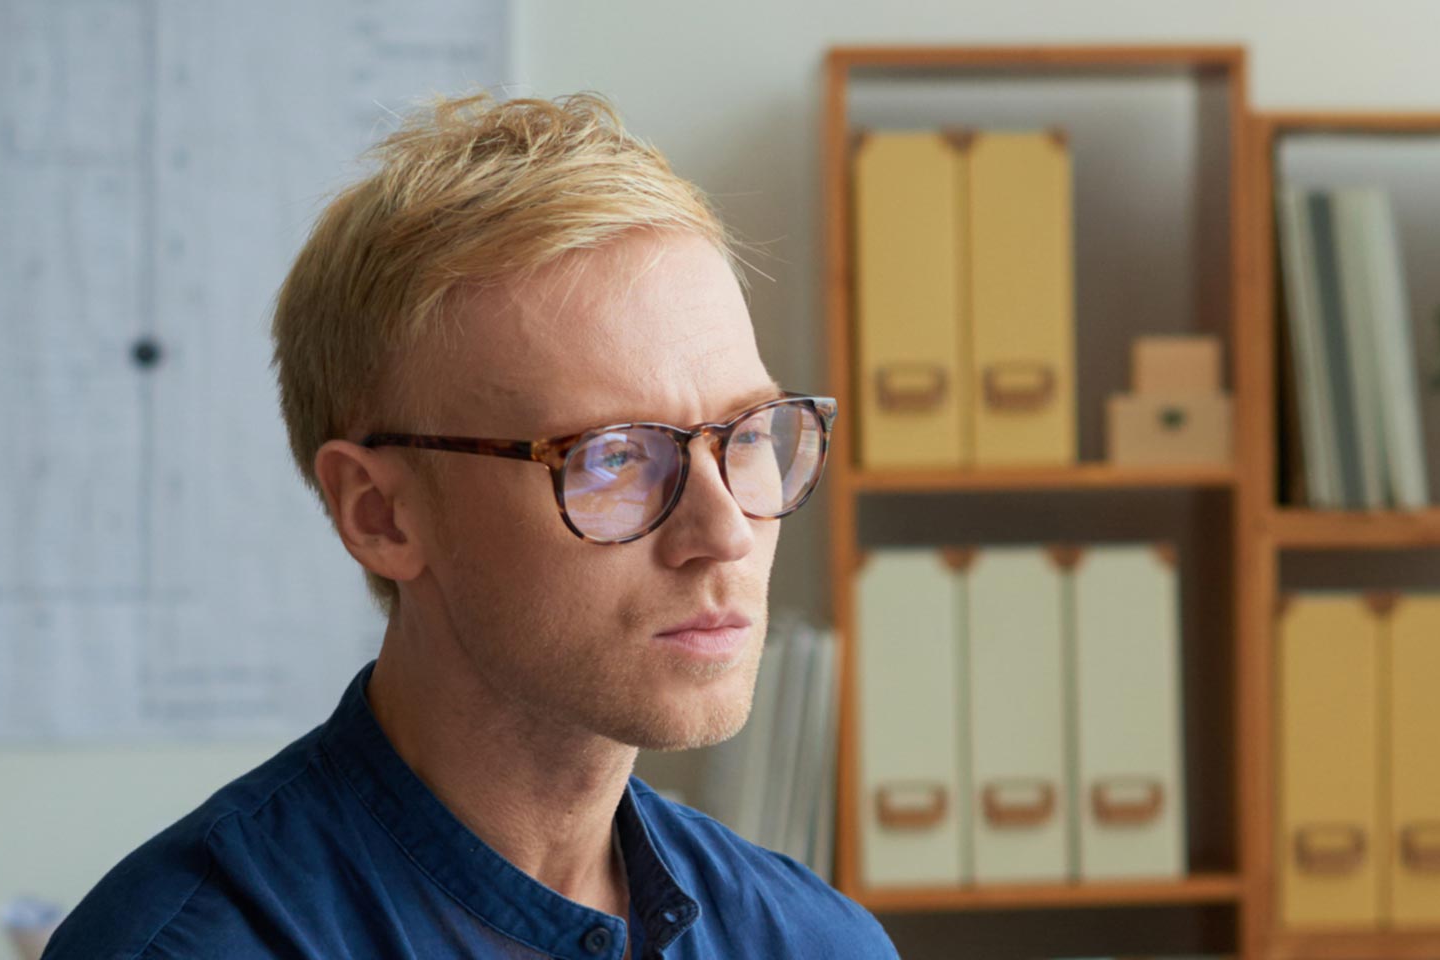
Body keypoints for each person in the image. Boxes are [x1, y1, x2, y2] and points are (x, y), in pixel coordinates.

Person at [44, 92, 896, 959]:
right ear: (380, 515)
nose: (726, 533)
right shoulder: (189, 945)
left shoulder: (816, 941)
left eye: (748, 434)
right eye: (615, 457)